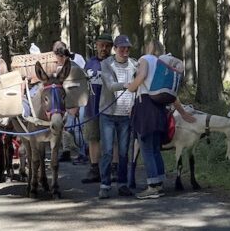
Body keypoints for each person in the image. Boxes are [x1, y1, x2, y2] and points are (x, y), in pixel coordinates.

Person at [127, 44, 195, 199]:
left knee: (147, 149)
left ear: (150, 48)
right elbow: (173, 97)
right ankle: (159, 182)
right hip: (159, 111)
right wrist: (183, 113)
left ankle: (153, 187)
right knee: (155, 149)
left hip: (145, 109)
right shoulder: (163, 70)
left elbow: (142, 75)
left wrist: (131, 87)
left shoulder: (146, 59)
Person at [98, 35, 137, 199]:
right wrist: (127, 85)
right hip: (108, 114)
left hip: (126, 114)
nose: (125, 51)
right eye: (122, 48)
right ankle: (105, 185)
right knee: (107, 151)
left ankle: (122, 184)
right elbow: (110, 85)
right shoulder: (106, 64)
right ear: (115, 49)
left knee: (123, 152)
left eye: (127, 48)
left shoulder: (135, 64)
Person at [81, 33, 119, 184]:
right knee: (93, 138)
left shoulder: (115, 63)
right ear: (96, 45)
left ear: (112, 48)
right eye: (101, 45)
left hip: (111, 107)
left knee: (113, 139)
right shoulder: (89, 64)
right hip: (92, 107)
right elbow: (82, 85)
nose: (104, 48)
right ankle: (94, 169)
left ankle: (115, 168)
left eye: (107, 46)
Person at [51, 41, 87, 162]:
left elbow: (80, 83)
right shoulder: (55, 66)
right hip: (64, 102)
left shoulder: (76, 61)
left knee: (78, 128)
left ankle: (83, 153)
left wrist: (76, 104)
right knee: (65, 128)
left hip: (78, 100)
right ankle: (66, 151)